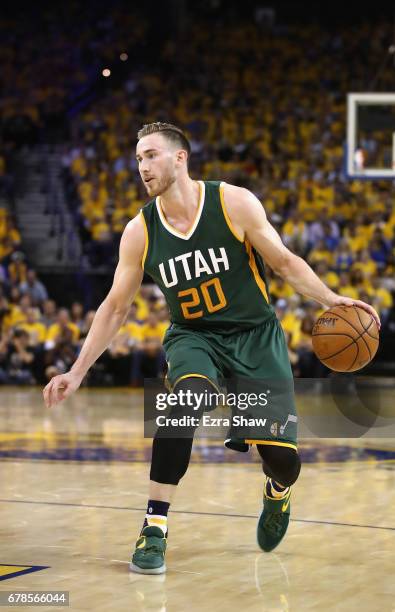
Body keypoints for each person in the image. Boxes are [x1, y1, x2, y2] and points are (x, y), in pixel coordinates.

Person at [43, 122, 381, 575]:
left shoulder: (233, 202)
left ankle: (277, 493)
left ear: (180, 157)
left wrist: (331, 299)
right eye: (138, 157)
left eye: (151, 155)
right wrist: (78, 370)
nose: (141, 166)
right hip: (193, 337)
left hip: (255, 337)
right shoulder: (139, 231)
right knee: (183, 405)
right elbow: (114, 307)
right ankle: (154, 526)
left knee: (283, 462)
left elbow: (282, 261)